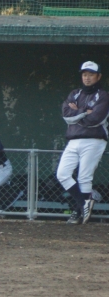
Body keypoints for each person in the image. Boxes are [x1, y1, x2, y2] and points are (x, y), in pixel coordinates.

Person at [57, 61, 109, 224]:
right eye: (84, 74)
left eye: (91, 74)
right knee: (62, 174)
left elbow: (95, 120)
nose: (87, 78)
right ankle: (83, 203)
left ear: (98, 76)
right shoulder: (75, 94)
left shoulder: (103, 95)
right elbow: (66, 115)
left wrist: (76, 113)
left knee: (84, 177)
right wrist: (84, 112)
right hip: (73, 140)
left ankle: (79, 213)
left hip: (94, 140)